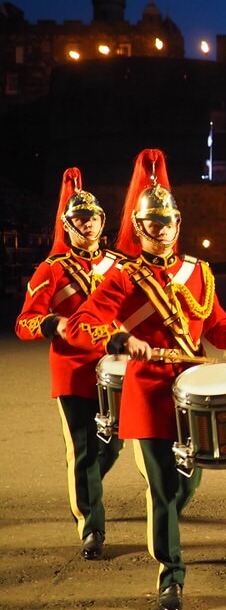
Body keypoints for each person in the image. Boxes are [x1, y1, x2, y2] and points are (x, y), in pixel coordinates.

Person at [65, 149, 226, 610]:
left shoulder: (199, 273)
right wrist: (121, 338)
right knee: (164, 487)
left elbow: (216, 323)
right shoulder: (123, 278)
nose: (160, 230)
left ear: (177, 224)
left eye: (167, 222)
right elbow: (85, 321)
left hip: (194, 391)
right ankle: (171, 573)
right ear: (139, 228)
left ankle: (166, 529)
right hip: (149, 394)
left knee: (188, 485)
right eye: (151, 224)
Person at [15, 168, 125, 560]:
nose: (88, 224)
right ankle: (91, 529)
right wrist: (54, 323)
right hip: (73, 371)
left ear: (102, 221)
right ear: (68, 224)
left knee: (111, 445)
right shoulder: (53, 268)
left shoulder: (118, 264)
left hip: (115, 368)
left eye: (93, 217)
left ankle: (86, 487)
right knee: (82, 450)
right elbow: (24, 321)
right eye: (80, 219)